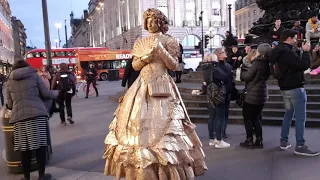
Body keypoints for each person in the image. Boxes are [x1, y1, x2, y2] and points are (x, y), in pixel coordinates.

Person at [102, 8, 207, 179]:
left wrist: (160, 50)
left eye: (153, 20)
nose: (150, 24)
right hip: (141, 86)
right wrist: (146, 58)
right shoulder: (140, 42)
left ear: (160, 22)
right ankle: (143, 169)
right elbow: (135, 66)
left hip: (162, 85)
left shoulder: (169, 40)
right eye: (147, 21)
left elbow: (174, 65)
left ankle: (167, 169)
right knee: (137, 123)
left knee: (167, 127)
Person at [6, 60, 58, 180]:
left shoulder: (10, 81)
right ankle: (41, 176)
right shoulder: (34, 76)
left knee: (25, 149)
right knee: (40, 147)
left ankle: (27, 177)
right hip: (37, 115)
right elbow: (46, 94)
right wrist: (56, 93)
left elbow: (9, 104)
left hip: (19, 118)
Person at [270, 29, 319, 156]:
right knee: (300, 118)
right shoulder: (286, 52)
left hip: (284, 87)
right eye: (294, 38)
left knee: (288, 114)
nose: (296, 40)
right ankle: (300, 145)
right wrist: (306, 52)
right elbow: (303, 65)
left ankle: (284, 141)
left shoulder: (276, 51)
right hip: (295, 87)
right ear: (288, 38)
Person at [240, 43, 271, 149]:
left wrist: (242, 73)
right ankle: (259, 140)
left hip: (252, 94)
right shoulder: (267, 63)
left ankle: (249, 140)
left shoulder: (257, 63)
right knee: (257, 118)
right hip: (262, 94)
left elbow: (247, 77)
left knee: (248, 118)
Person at [202, 51, 231, 148]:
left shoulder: (205, 68)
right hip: (217, 94)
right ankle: (219, 140)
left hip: (210, 94)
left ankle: (211, 139)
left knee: (212, 117)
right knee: (220, 116)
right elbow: (225, 77)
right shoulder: (214, 69)